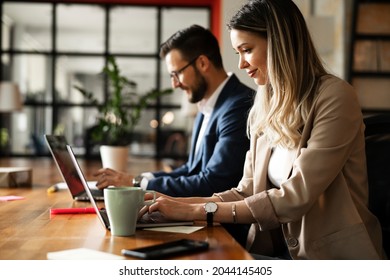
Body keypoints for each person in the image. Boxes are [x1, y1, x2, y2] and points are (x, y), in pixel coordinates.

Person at [142, 0, 385, 260]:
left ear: (280, 43)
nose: (241, 65)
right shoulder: (265, 102)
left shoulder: (335, 97)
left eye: (246, 50)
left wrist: (194, 211)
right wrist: (169, 203)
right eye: (238, 52)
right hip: (276, 254)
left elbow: (294, 197)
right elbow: (246, 190)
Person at [94, 25, 254, 197]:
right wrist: (138, 179)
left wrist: (136, 183)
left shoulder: (239, 106)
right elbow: (191, 170)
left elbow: (214, 183)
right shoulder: (206, 106)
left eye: (177, 73)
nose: (174, 84)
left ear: (202, 63)